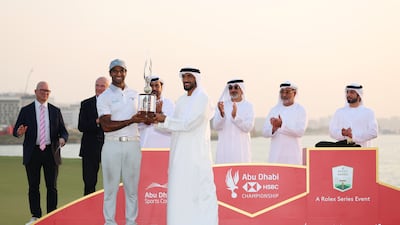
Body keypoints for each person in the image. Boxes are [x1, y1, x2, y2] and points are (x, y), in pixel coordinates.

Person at [154, 67, 218, 225]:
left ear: (197, 78)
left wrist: (164, 119)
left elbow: (190, 124)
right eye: (184, 76)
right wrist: (156, 120)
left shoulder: (203, 98)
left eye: (189, 76)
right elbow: (173, 126)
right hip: (178, 159)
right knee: (179, 198)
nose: (186, 79)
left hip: (197, 159)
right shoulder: (181, 100)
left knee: (200, 197)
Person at [97, 59, 146, 225]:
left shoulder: (135, 94)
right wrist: (131, 120)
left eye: (122, 71)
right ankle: (109, 222)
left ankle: (131, 222)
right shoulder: (104, 97)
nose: (118, 74)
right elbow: (106, 125)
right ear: (110, 73)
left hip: (133, 143)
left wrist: (151, 115)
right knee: (110, 189)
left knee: (132, 189)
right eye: (115, 71)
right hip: (112, 144)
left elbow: (143, 118)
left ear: (126, 72)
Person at [13, 81, 69, 225]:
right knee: (33, 186)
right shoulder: (26, 110)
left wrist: (63, 138)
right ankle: (36, 216)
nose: (45, 93)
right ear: (36, 91)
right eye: (42, 90)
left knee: (52, 186)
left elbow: (63, 130)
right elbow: (16, 131)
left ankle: (52, 215)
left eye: (48, 91)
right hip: (33, 152)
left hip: (51, 152)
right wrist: (19, 132)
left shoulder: (55, 111)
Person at [262, 81, 308, 165]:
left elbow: (300, 132)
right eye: (282, 92)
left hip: (293, 157)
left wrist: (281, 125)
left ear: (294, 93)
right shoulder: (274, 110)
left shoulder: (300, 110)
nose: (284, 95)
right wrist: (273, 129)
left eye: (287, 92)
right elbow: (264, 132)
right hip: (275, 156)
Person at [78, 76, 109, 195]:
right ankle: (88, 211)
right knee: (89, 183)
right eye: (97, 85)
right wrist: (96, 122)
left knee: (111, 182)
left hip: (109, 147)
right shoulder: (86, 104)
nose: (99, 88)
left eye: (102, 86)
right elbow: (81, 126)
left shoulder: (114, 104)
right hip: (90, 149)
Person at [212, 79, 255, 163]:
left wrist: (235, 117)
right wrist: (222, 114)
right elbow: (215, 126)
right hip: (224, 151)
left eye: (236, 87)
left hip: (241, 151)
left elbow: (249, 127)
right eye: (230, 88)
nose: (233, 90)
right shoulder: (222, 105)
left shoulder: (248, 106)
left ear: (242, 90)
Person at [139, 75, 175, 148]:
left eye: (156, 85)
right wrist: (154, 115)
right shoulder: (142, 102)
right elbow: (139, 125)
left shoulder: (170, 104)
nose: (154, 88)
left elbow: (173, 126)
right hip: (146, 145)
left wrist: (160, 115)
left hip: (164, 146)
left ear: (161, 87)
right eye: (151, 86)